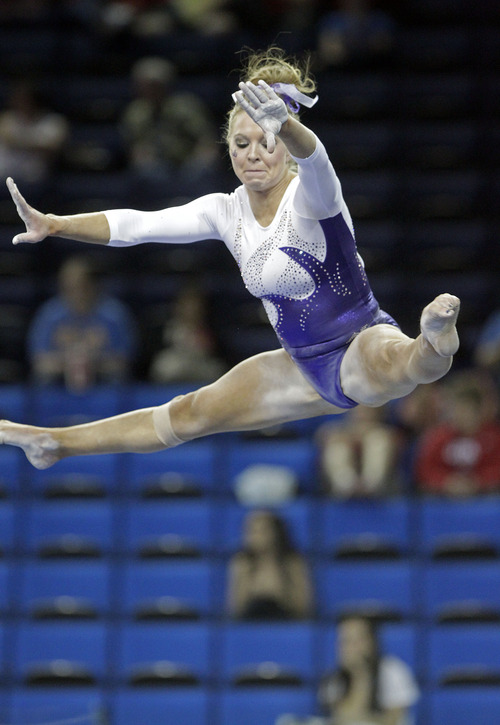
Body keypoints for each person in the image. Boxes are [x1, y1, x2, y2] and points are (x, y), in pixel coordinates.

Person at [0, 46, 460, 472]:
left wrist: (289, 126)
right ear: (228, 147)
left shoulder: (312, 198)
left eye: (267, 141)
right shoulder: (226, 211)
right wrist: (56, 223)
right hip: (300, 366)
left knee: (398, 363)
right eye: (241, 144)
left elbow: (317, 161)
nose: (253, 154)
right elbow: (137, 226)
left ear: (285, 146)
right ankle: (53, 443)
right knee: (189, 412)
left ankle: (435, 341)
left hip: (357, 341)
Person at [27, 255, 137, 392]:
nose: (75, 292)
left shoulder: (114, 314)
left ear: (93, 284)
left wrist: (90, 362)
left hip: (104, 380)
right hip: (58, 381)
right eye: (68, 286)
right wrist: (71, 362)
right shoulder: (50, 314)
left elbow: (124, 361)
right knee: (43, 379)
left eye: (80, 285)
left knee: (118, 379)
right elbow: (39, 362)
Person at [120, 56, 220, 203]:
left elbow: (206, 142)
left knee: (203, 173)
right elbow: (137, 148)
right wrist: (145, 160)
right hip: (157, 167)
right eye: (145, 85)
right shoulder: (135, 113)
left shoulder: (186, 107)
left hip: (189, 164)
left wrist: (200, 162)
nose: (150, 90)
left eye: (155, 85)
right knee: (144, 173)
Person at [318, 614, 419, 725]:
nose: (352, 647)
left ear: (371, 642)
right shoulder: (334, 678)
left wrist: (364, 674)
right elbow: (342, 717)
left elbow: (392, 721)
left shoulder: (393, 671)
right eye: (346, 641)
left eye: (358, 640)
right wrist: (358, 675)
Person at [414, 370, 500, 497]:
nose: (460, 416)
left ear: (478, 411)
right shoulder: (438, 437)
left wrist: (478, 482)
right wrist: (446, 482)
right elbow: (425, 469)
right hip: (443, 498)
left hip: (485, 497)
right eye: (457, 410)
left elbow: (497, 467)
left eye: (466, 410)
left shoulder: (493, 437)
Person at [226, 509, 314, 620]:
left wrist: (280, 592)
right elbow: (234, 609)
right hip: (249, 621)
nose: (254, 537)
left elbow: (304, 608)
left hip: (287, 621)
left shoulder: (294, 563)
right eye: (250, 531)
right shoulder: (241, 563)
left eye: (261, 531)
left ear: (276, 533)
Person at [316, 404, 402, 498]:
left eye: (367, 410)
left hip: (383, 485)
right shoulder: (339, 429)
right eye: (359, 410)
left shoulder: (386, 430)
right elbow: (322, 435)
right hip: (345, 486)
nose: (362, 413)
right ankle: (346, 484)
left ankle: (370, 484)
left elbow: (397, 440)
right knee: (337, 447)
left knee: (378, 440)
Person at [149, 281, 227, 383]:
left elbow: (220, 355)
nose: (192, 309)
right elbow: (155, 352)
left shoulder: (211, 329)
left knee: (217, 370)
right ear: (178, 306)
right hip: (175, 364)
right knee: (163, 365)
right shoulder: (165, 328)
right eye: (188, 305)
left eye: (196, 305)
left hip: (201, 365)